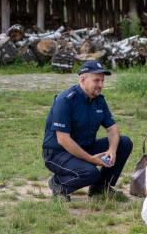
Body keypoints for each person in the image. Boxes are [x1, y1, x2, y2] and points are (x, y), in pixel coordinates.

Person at [42, 60, 133, 201]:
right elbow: (63, 139)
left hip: (84, 147)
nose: (101, 85)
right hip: (58, 153)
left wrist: (112, 150)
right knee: (90, 173)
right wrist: (91, 159)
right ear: (82, 79)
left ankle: (101, 188)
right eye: (96, 80)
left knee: (124, 142)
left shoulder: (99, 100)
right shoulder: (65, 100)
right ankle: (58, 184)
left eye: (102, 80)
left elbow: (113, 130)